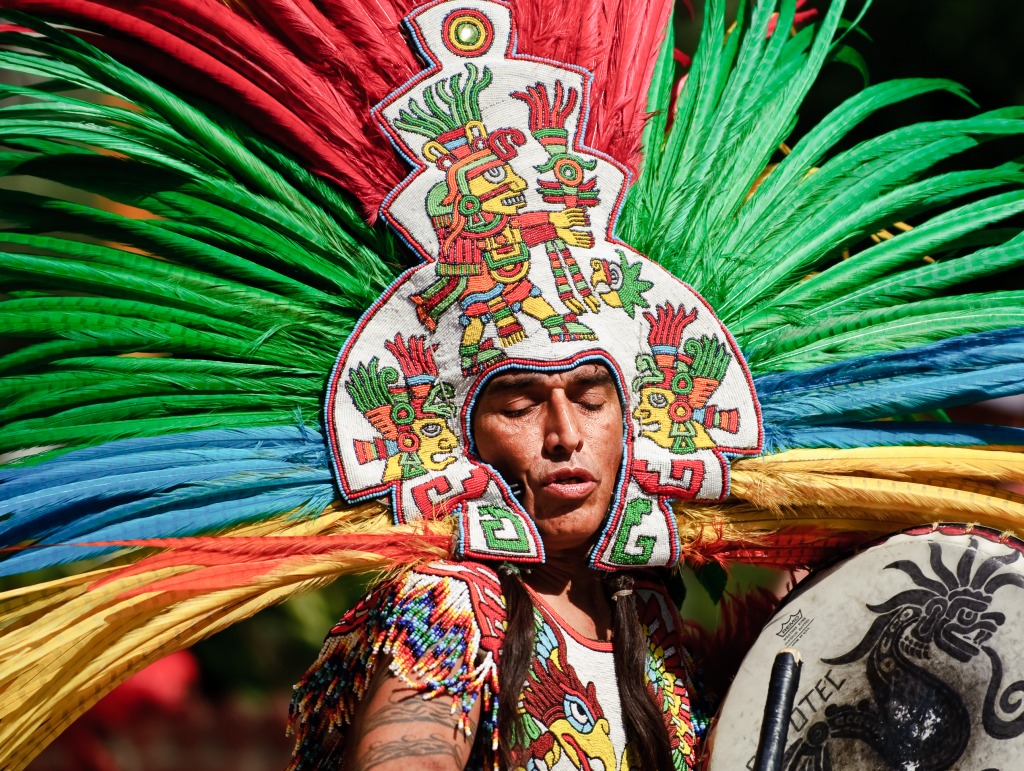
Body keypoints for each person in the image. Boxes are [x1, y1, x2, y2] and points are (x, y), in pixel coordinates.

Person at [289, 362, 703, 770]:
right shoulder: (447, 607)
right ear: (464, 439)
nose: (566, 436)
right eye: (520, 408)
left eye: (591, 402)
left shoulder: (650, 609)